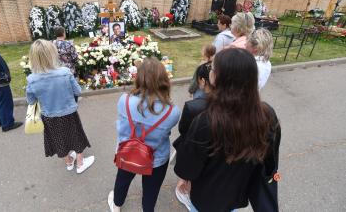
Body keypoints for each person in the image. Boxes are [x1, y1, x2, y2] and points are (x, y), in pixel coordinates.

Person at [174, 48, 281, 212]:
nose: (210, 70)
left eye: (212, 68)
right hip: (238, 193)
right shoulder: (267, 114)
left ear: (217, 78)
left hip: (206, 198)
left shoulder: (206, 120)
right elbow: (270, 161)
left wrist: (184, 178)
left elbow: (187, 166)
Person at [108, 57, 181, 212]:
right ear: (164, 79)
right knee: (151, 191)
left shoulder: (124, 101)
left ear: (139, 78)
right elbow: (166, 131)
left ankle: (116, 204)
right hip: (156, 157)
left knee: (122, 181)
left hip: (128, 151)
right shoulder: (172, 111)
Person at [26, 39, 94, 174]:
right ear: (52, 54)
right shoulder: (65, 72)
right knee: (75, 135)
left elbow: (31, 100)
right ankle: (80, 163)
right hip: (68, 111)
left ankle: (69, 162)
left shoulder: (32, 79)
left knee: (57, 138)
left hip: (49, 115)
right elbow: (78, 91)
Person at [173, 63, 213, 210]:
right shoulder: (241, 106)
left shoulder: (193, 107)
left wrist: (184, 175)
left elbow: (184, 131)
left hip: (196, 156)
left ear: (202, 81)